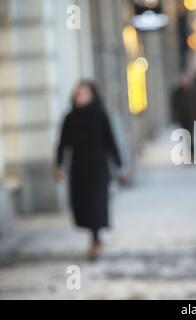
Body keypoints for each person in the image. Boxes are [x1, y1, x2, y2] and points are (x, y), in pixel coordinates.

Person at [54, 80, 124, 260]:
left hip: (98, 168)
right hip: (79, 169)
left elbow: (110, 142)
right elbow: (62, 144)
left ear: (92, 95)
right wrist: (59, 165)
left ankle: (94, 240)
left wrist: (119, 166)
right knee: (83, 205)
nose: (80, 97)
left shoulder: (100, 115)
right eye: (78, 94)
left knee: (96, 204)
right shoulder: (70, 118)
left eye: (84, 93)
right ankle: (95, 238)